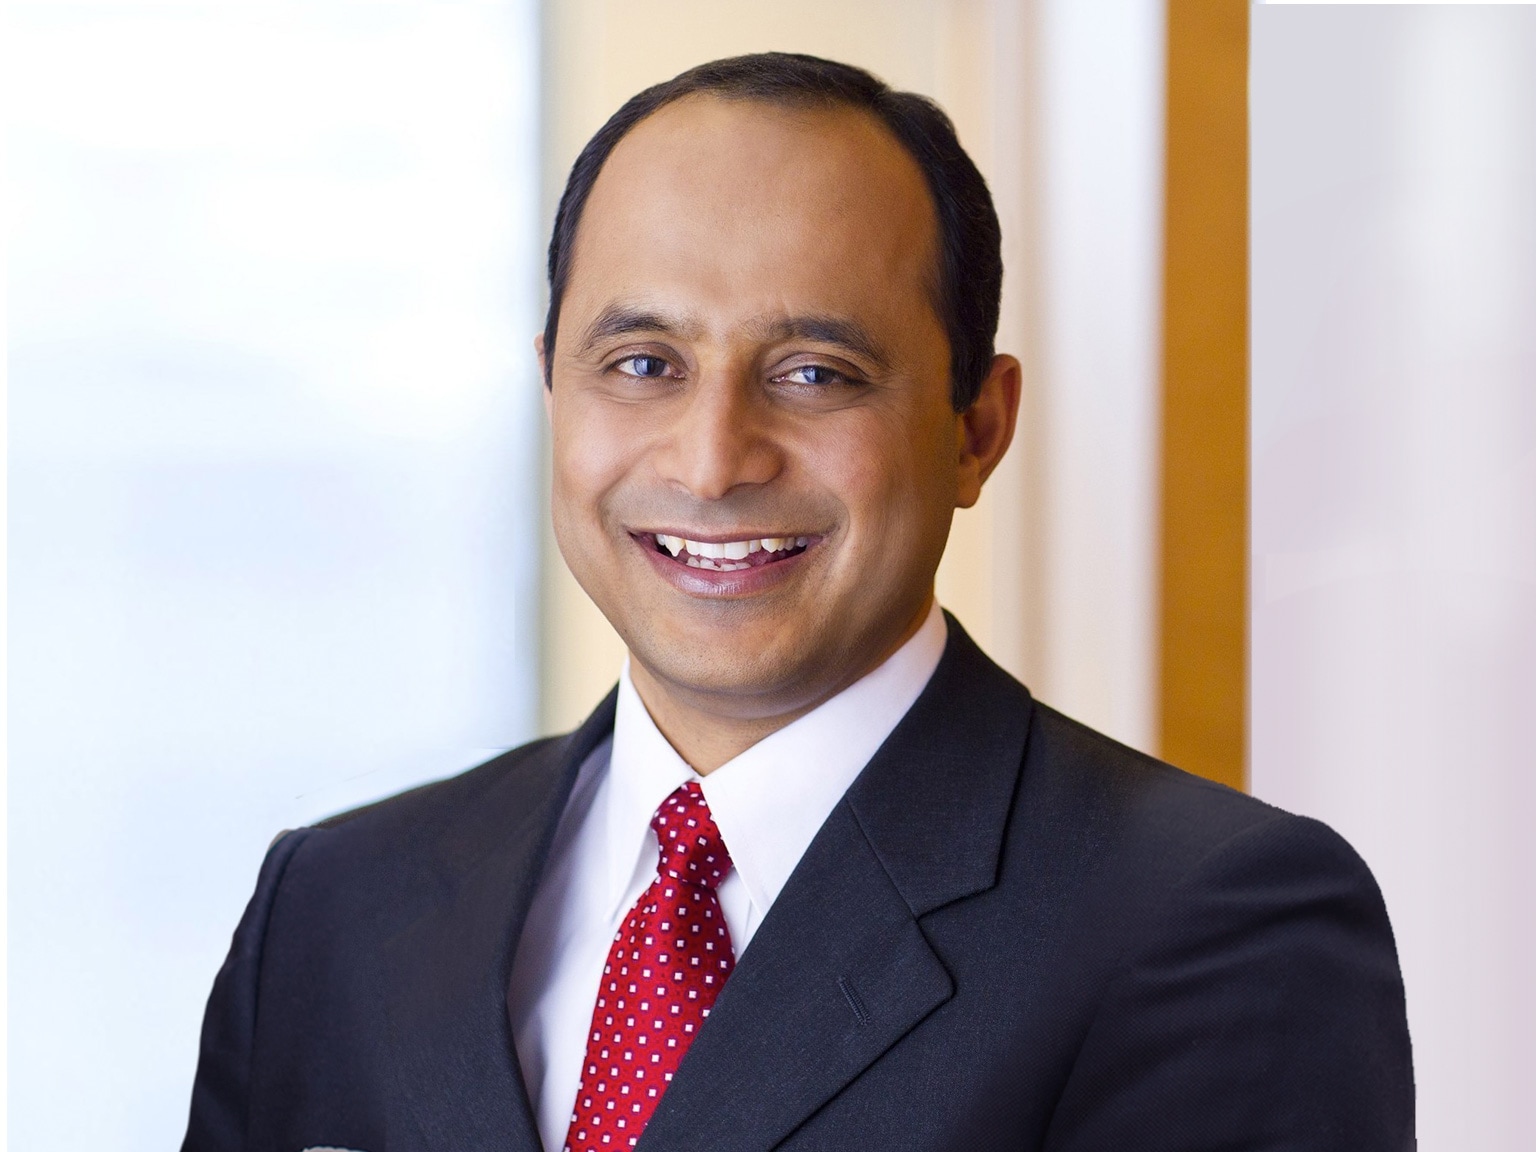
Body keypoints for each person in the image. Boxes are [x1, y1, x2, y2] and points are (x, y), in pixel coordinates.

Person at [182, 53, 1413, 1152]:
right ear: (554, 396)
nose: (713, 460)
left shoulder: (1213, 922)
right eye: (643, 365)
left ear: (977, 429)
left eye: (817, 373)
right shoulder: (336, 906)